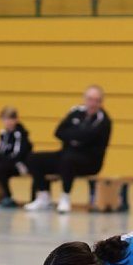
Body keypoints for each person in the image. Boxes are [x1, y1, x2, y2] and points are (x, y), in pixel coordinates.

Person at [24, 85, 111, 214]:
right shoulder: (76, 112)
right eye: (90, 99)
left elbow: (89, 139)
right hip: (66, 154)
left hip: (90, 161)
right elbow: (59, 132)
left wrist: (73, 136)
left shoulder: (103, 120)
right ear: (84, 98)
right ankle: (44, 197)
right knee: (34, 158)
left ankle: (65, 197)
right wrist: (78, 137)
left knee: (68, 160)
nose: (92, 103)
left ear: (101, 102)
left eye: (96, 100)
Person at [0, 106, 32, 208]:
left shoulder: (20, 134)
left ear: (16, 119)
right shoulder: (3, 133)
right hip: (5, 162)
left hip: (19, 164)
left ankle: (8, 197)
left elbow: (18, 154)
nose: (8, 122)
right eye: (5, 119)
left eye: (10, 119)